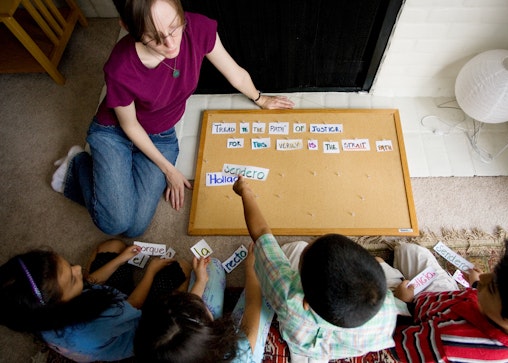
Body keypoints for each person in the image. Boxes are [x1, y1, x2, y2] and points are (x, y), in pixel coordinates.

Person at [50, 0, 295, 238]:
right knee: (114, 223)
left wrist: (260, 98)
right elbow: (129, 125)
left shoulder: (197, 27)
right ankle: (76, 166)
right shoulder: (120, 66)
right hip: (115, 132)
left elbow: (235, 73)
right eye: (153, 37)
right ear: (127, 26)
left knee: (134, 228)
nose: (169, 43)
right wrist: (169, 170)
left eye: (174, 27)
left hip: (160, 134)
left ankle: (112, 177)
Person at [232, 175, 409, 362]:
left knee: (294, 247)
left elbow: (260, 233)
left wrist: (245, 192)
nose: (310, 242)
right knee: (384, 268)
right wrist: (400, 300)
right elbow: (391, 305)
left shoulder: (288, 295)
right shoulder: (387, 311)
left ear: (306, 301)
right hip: (341, 345)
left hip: (301, 342)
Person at [0, 239, 189, 362]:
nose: (78, 268)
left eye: (69, 265)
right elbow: (135, 304)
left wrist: (121, 259)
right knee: (183, 270)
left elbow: (89, 282)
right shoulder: (100, 320)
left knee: (112, 246)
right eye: (73, 279)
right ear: (59, 307)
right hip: (131, 328)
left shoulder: (38, 318)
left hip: (106, 308)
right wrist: (150, 272)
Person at [381, 240, 508, 362]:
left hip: (411, 320)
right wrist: (476, 285)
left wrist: (402, 303)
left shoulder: (448, 343)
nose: (485, 277)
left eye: (492, 287)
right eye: (493, 274)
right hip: (443, 298)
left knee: (375, 268)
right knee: (409, 250)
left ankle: (392, 280)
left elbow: (395, 342)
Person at [134, 243, 275, 363]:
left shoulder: (160, 352)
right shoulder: (239, 354)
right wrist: (251, 268)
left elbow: (183, 313)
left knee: (210, 266)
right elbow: (253, 304)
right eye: (199, 311)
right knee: (267, 280)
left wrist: (201, 281)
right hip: (240, 347)